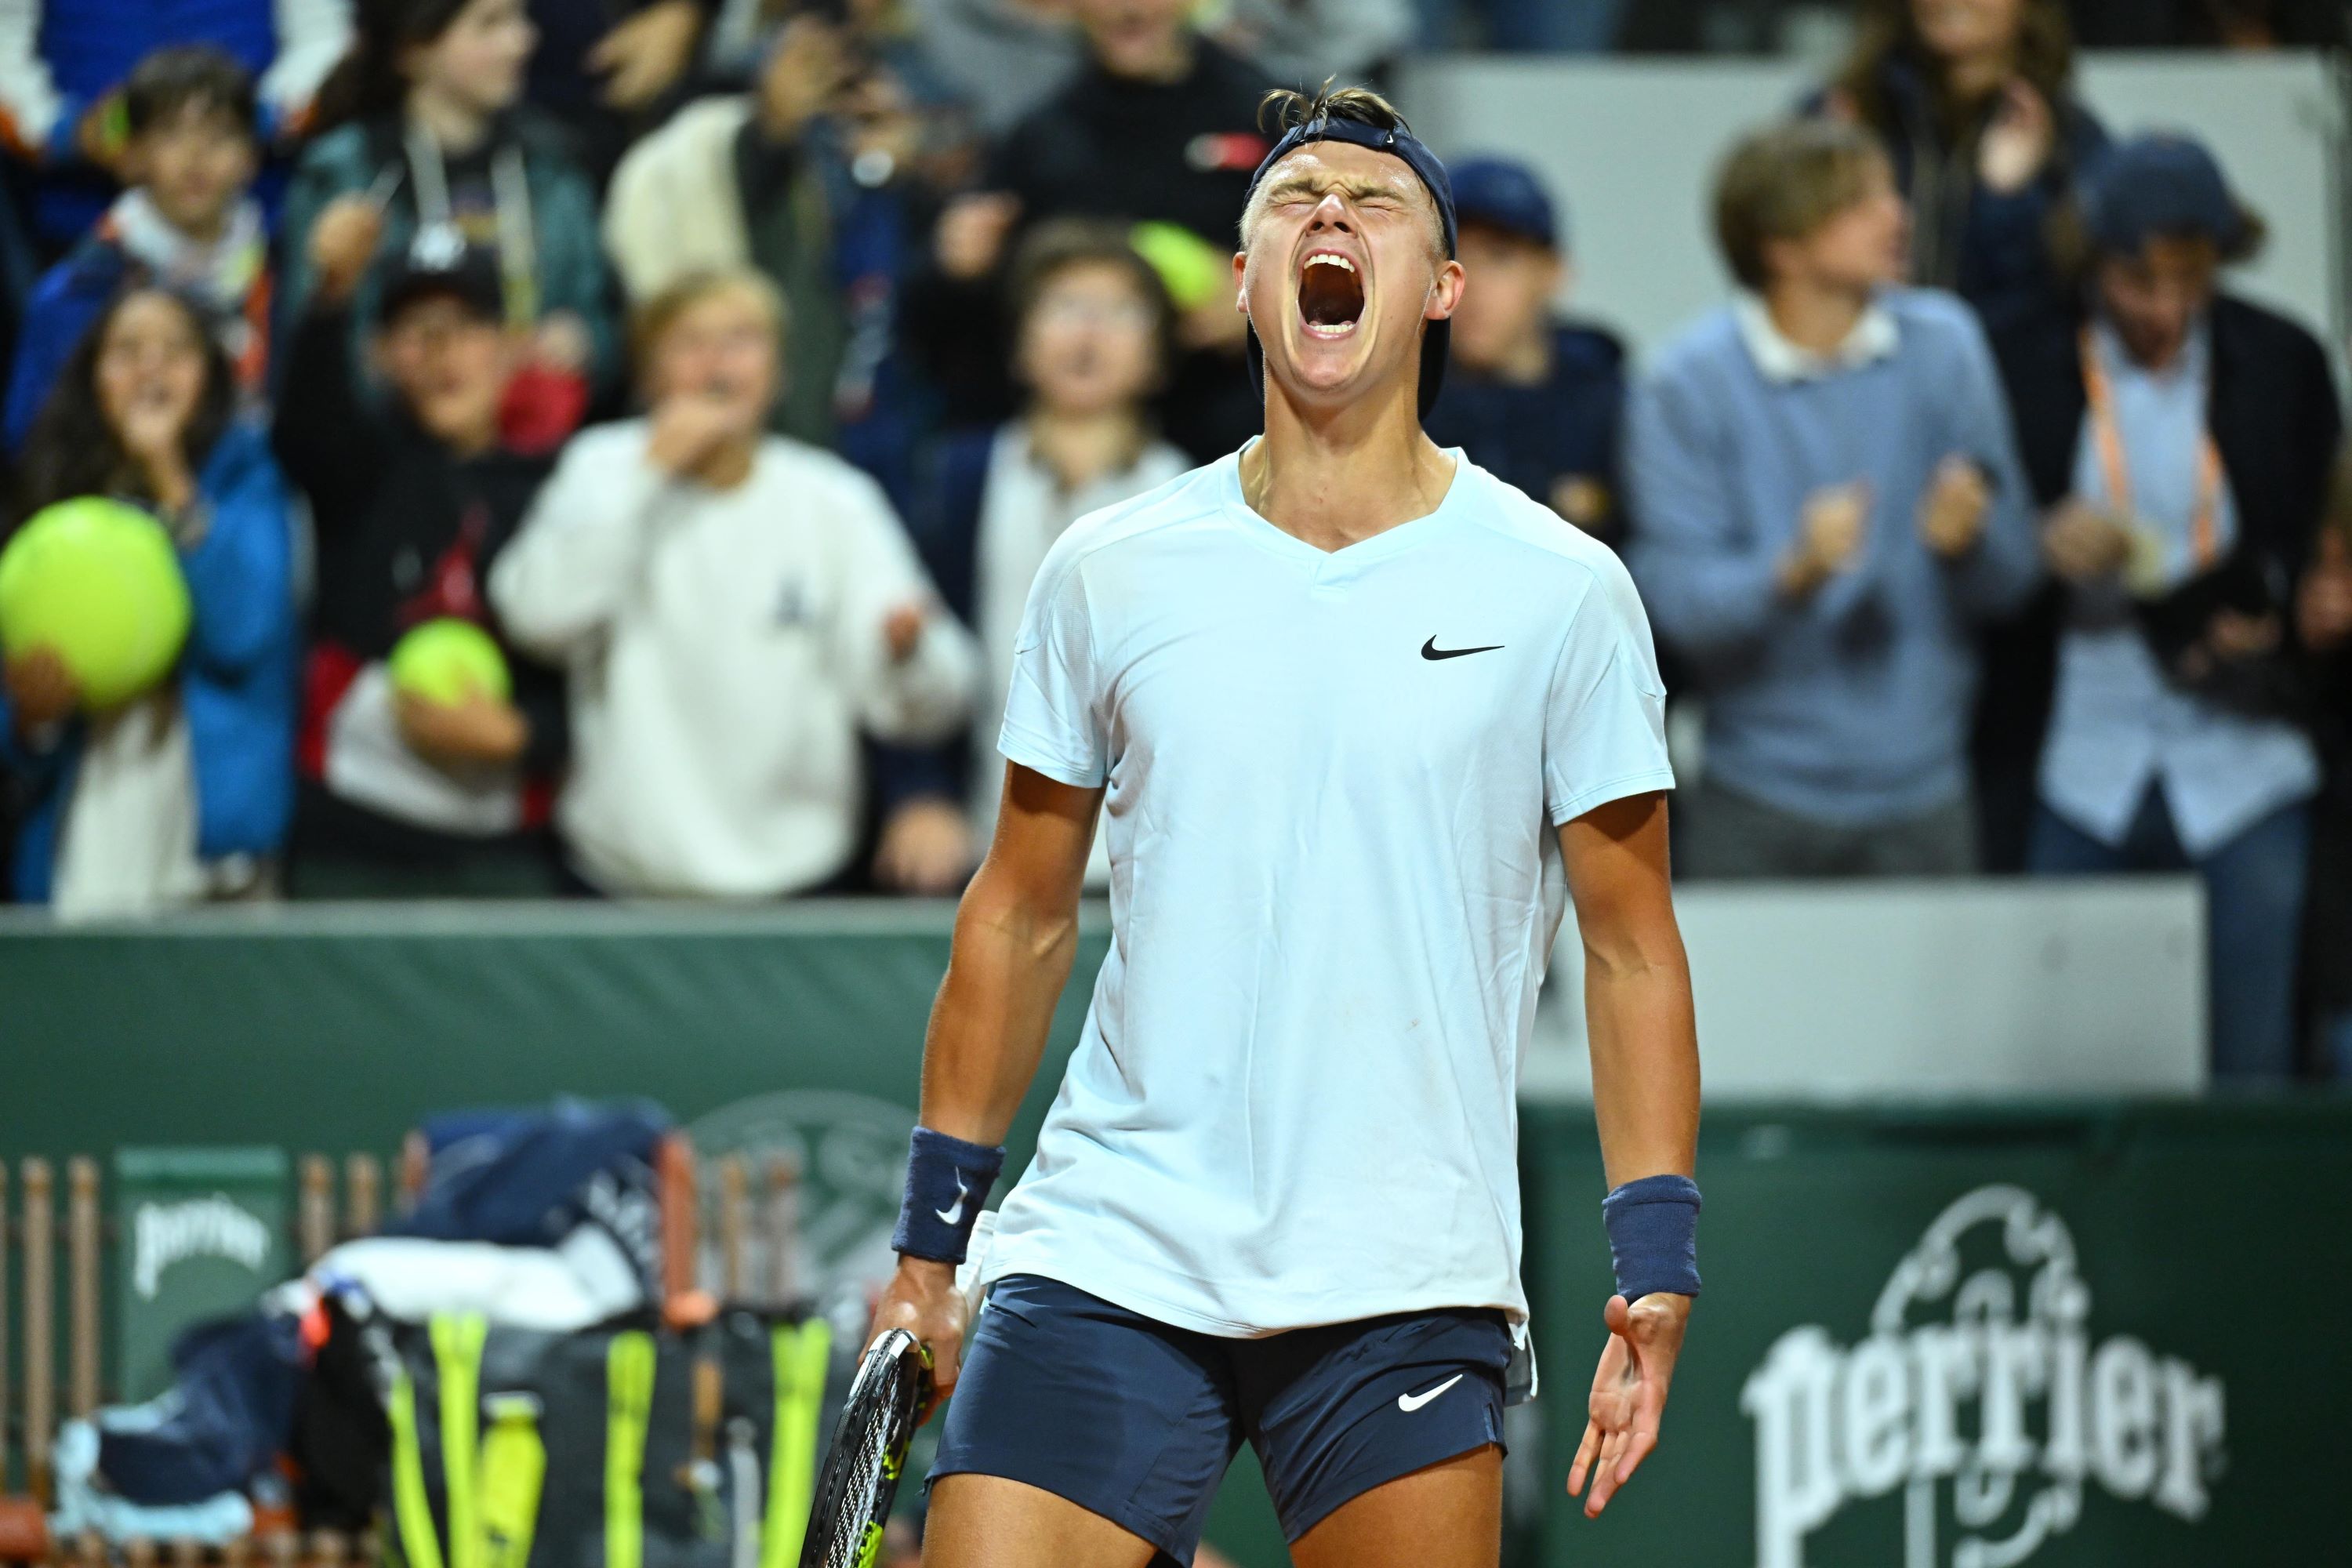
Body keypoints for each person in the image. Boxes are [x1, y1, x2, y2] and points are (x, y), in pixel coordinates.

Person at [865, 86, 1700, 1568]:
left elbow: (1632, 947)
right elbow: (1019, 912)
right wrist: (933, 1249)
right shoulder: (1110, 570)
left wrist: (1656, 1256)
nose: (1330, 214)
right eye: (1292, 198)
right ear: (1244, 279)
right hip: (1111, 1242)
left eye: (1375, 203)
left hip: (1404, 1265)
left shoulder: (1562, 589)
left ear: (1443, 290)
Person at [1991, 135, 2340, 1082]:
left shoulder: (2280, 358)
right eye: (2138, 282)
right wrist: (2036, 540)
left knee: (2252, 1070)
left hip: (2243, 755)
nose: (2164, 309)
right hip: (2078, 757)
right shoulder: (2025, 361)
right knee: (2056, 1064)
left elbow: (2316, 535)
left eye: (2190, 281)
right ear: (2091, 260)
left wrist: (2280, 618)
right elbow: (1976, 544)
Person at [1625, 118, 2038, 880]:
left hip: (1927, 789)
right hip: (1755, 795)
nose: (1897, 215)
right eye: (1861, 202)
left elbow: (2018, 578)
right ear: (1782, 248)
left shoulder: (1947, 346)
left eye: (1889, 192)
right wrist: (1790, 572)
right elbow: (1673, 605)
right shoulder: (1687, 381)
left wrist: (1968, 545)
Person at [488, 269, 978, 899]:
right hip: (619, 879)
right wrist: (651, 471)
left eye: (743, 340)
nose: (718, 364)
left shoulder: (832, 499)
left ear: (778, 371)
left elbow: (928, 700)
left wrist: (907, 652)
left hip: (800, 880)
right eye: (690, 342)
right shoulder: (601, 468)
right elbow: (538, 618)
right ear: (649, 370)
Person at [877, 219, 1190, 893]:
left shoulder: (1201, 495)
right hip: (990, 859)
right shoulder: (957, 480)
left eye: (1118, 312)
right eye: (1064, 308)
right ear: (1019, 347)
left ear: (1157, 356)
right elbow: (918, 656)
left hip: (1158, 875)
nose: (1088, 333)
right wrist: (918, 794)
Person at [273, 230, 569, 898]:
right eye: (414, 331)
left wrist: (529, 736)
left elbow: (585, 659)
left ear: (510, 347)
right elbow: (305, 429)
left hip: (505, 844)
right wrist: (329, 301)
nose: (441, 353)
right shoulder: (359, 468)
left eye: (465, 327)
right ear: (378, 355)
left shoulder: (562, 485)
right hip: (350, 835)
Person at [0, 287, 296, 914]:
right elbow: (15, 716)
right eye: (127, 350)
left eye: (176, 350)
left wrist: (169, 475)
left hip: (213, 852)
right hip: (81, 838)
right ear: (92, 376)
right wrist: (31, 723)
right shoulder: (49, 501)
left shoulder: (250, 482)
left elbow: (243, 630)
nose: (151, 368)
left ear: (210, 376)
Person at [902, 0, 1272, 459]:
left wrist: (1266, 305)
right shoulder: (1041, 138)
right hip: (1081, 458)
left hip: (1234, 449)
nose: (1126, 8)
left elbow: (1359, 282)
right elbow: (941, 324)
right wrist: (957, 271)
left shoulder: (1269, 115)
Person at [603, 16, 947, 502]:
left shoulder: (905, 84)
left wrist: (907, 169)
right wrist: (774, 123)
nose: (822, 74)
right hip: (763, 440)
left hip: (884, 435)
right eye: (806, 59)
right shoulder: (715, 131)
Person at [281, 0, 616, 437]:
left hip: (537, 445)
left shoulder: (554, 164)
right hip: (386, 460)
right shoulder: (343, 175)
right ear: (413, 50)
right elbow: (311, 359)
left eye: (519, 18)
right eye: (490, 24)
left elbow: (607, 321)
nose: (522, 40)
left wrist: (587, 344)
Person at [5, 48, 273, 452]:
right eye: (170, 133)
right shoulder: (80, 288)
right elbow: (31, 440)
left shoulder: (278, 271)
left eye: (220, 134)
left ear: (251, 157)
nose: (195, 155)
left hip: (243, 490)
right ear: (131, 156)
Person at [1817, 0, 2107, 341]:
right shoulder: (1844, 116)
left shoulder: (2070, 138)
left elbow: (2068, 309)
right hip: (1858, 378)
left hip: (2011, 382)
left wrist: (2005, 204)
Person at [0, 0, 348, 251]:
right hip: (71, 209)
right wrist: (63, 131)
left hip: (258, 211)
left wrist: (248, 120)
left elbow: (323, 36)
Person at [1422, 155, 1626, 543]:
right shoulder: (1395, 403)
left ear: (1554, 272)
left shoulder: (1612, 407)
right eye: (1451, 257)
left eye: (1500, 257)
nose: (1470, 283)